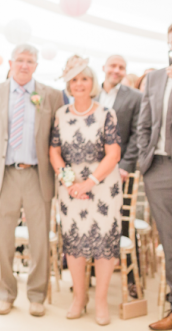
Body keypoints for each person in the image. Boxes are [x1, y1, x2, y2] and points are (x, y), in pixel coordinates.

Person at [0, 44, 63, 317]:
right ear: (10, 62)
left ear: (37, 66)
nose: (24, 65)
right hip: (5, 175)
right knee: (1, 239)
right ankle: (5, 294)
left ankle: (37, 295)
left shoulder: (51, 95)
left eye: (30, 61)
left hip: (37, 175)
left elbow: (57, 135)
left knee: (39, 239)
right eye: (20, 60)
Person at [49, 56, 122, 326]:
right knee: (75, 245)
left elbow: (113, 153)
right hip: (70, 189)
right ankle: (79, 297)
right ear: (69, 84)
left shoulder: (106, 113)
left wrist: (88, 183)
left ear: (92, 82)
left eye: (84, 78)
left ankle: (101, 300)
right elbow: (54, 151)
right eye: (74, 80)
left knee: (104, 245)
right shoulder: (61, 114)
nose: (79, 84)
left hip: (103, 188)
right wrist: (69, 183)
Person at [95, 55, 143, 295]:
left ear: (125, 71)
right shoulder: (91, 94)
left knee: (123, 224)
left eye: (121, 67)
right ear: (104, 68)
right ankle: (92, 275)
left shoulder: (135, 98)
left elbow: (137, 134)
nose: (116, 70)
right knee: (94, 220)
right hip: (93, 173)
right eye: (112, 66)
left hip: (121, 171)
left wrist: (125, 164)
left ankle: (132, 279)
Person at [139, 24, 172, 331]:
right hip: (158, 169)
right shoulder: (155, 77)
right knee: (170, 242)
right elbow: (144, 124)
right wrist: (143, 163)